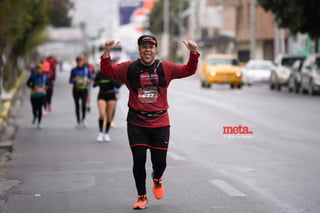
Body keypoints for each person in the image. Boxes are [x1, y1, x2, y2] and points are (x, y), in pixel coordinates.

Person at [100, 35, 199, 209]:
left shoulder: (165, 68)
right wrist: (107, 52)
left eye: (151, 47)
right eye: (144, 46)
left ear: (155, 50)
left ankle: (157, 178)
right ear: (139, 50)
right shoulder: (129, 68)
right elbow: (108, 71)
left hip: (160, 123)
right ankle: (142, 196)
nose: (148, 50)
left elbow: (187, 71)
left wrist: (193, 53)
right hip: (137, 121)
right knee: (138, 160)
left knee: (160, 163)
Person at [93, 71, 121, 142]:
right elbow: (94, 85)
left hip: (111, 95)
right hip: (101, 95)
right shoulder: (99, 73)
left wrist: (111, 79)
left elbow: (118, 85)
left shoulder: (113, 73)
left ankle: (106, 133)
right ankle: (100, 133)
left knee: (109, 117)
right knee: (102, 114)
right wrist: (98, 82)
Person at [69, 56, 93, 128]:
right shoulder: (73, 70)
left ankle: (83, 120)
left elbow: (91, 78)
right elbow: (70, 80)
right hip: (76, 90)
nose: (80, 63)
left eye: (81, 61)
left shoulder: (86, 69)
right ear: (76, 62)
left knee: (83, 105)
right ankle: (78, 121)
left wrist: (89, 80)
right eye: (78, 61)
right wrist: (75, 80)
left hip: (84, 90)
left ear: (83, 62)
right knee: (77, 106)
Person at [26, 63, 48, 129]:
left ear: (42, 69)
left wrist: (46, 87)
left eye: (40, 68)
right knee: (34, 109)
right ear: (36, 69)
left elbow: (47, 84)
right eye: (38, 68)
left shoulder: (45, 76)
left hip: (42, 95)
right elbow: (27, 83)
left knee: (40, 109)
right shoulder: (33, 76)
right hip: (34, 95)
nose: (39, 70)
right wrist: (32, 86)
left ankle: (39, 123)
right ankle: (35, 115)